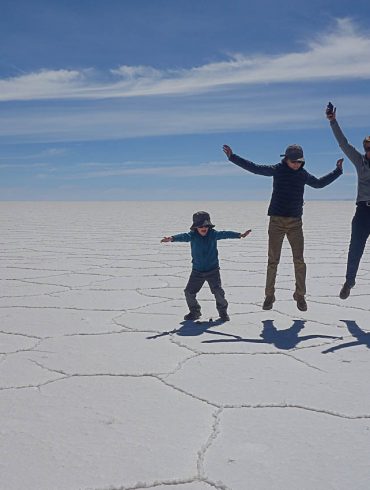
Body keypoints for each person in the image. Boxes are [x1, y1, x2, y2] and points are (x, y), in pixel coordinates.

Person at [223, 143, 343, 311]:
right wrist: (233, 157)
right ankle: (269, 296)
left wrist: (337, 171)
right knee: (273, 261)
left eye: (299, 161)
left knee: (299, 261)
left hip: (295, 223)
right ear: (286, 159)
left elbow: (319, 184)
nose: (296, 164)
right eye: (293, 161)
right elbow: (255, 168)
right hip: (276, 222)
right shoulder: (278, 170)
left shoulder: (303, 174)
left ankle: (300, 295)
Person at [161, 211, 251, 321]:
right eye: (200, 226)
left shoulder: (213, 234)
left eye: (206, 225)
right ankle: (195, 312)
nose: (204, 228)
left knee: (218, 292)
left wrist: (239, 235)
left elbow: (225, 234)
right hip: (197, 272)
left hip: (213, 270)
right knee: (189, 292)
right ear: (196, 227)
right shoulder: (192, 236)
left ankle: (223, 312)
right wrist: (172, 238)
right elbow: (183, 236)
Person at [326, 102, 370, 299]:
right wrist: (333, 122)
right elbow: (344, 144)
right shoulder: (360, 161)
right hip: (362, 211)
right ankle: (349, 281)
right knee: (355, 249)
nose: (369, 151)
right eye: (367, 147)